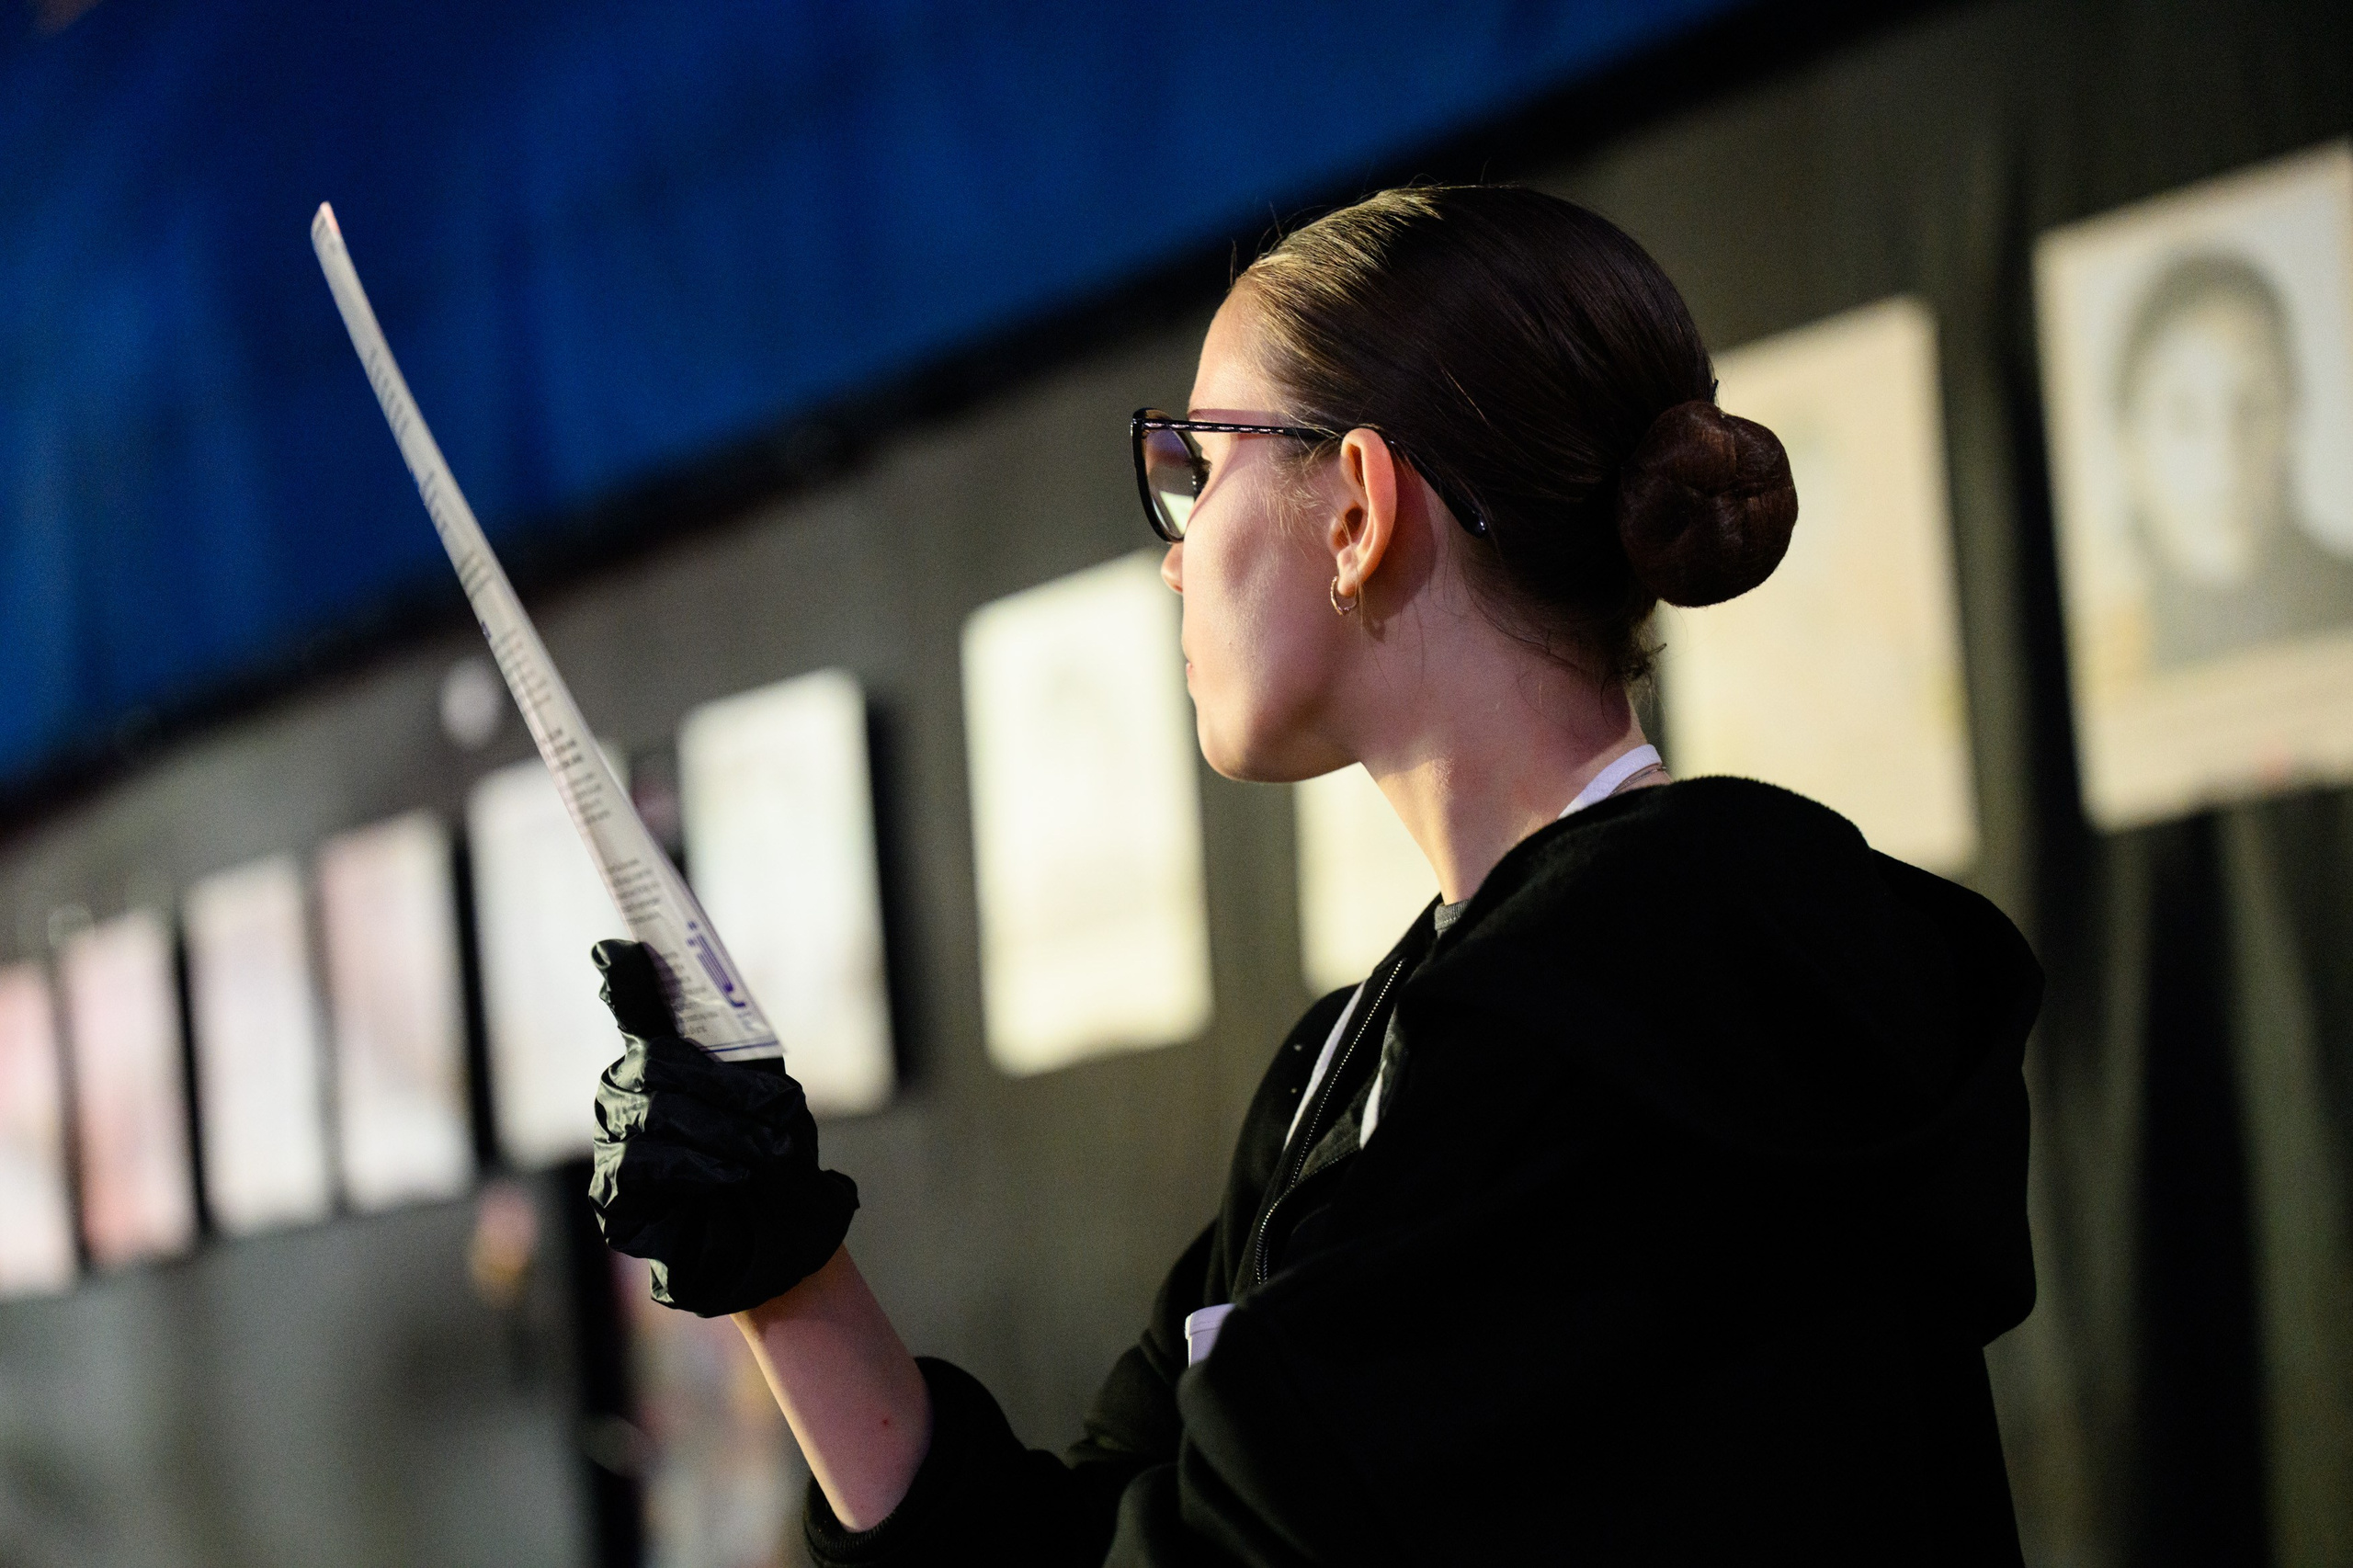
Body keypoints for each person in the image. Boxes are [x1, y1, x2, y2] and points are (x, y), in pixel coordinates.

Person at [586, 186, 2042, 1564]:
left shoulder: (1563, 1036)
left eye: (1198, 466)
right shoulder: (1387, 1050)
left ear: (1355, 507)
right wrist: (779, 1259)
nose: (1174, 553)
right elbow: (1102, 1534)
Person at [2113, 249, 2353, 667]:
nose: (2226, 458)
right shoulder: (2106, 657)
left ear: (2293, 411)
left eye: (2256, 406)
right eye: (2184, 416)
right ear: (2130, 442)